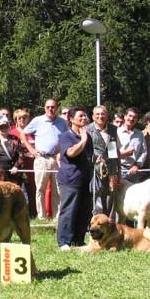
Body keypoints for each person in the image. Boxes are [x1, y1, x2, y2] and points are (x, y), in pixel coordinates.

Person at [20, 98, 68, 220]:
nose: (50, 109)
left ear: (56, 108)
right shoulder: (38, 121)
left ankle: (57, 218)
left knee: (57, 189)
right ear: (44, 108)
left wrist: (60, 151)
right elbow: (23, 134)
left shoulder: (62, 122)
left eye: (53, 107)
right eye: (48, 107)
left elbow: (67, 138)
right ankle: (41, 217)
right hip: (41, 159)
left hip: (55, 159)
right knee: (40, 189)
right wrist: (31, 150)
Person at [56, 106, 94, 250]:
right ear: (71, 119)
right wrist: (83, 140)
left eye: (85, 116)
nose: (84, 118)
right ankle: (64, 241)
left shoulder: (88, 136)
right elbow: (71, 153)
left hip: (85, 179)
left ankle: (78, 239)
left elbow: (89, 156)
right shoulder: (66, 136)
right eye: (80, 116)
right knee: (69, 210)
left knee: (84, 210)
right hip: (70, 179)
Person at [87, 105, 121, 218]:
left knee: (109, 197)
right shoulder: (87, 130)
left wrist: (117, 172)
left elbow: (115, 152)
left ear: (107, 115)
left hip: (110, 170)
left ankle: (106, 223)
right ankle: (91, 223)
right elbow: (85, 152)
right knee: (93, 196)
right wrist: (94, 158)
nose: (100, 116)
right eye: (97, 114)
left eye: (103, 114)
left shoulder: (114, 130)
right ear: (93, 116)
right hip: (93, 170)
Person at [11, 109, 36, 218]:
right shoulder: (12, 132)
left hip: (31, 163)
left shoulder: (33, 132)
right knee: (17, 189)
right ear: (15, 120)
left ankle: (33, 213)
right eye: (19, 118)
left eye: (24, 118)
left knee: (32, 189)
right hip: (17, 165)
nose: (22, 120)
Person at [0, 116, 25, 185]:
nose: (3, 129)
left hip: (12, 173)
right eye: (1, 128)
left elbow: (21, 156)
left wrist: (16, 166)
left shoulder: (15, 140)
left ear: (9, 128)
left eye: (5, 127)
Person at [117, 107, 147, 183]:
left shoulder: (140, 134)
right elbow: (110, 153)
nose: (131, 119)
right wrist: (123, 153)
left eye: (134, 117)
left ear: (137, 120)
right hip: (118, 170)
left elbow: (143, 152)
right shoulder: (116, 132)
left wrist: (137, 165)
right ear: (125, 117)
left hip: (134, 171)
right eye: (130, 116)